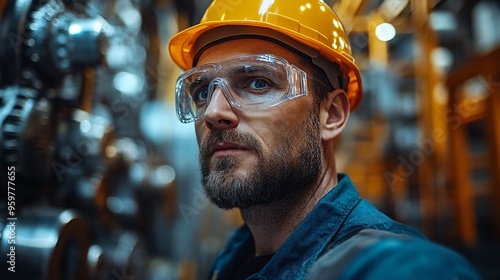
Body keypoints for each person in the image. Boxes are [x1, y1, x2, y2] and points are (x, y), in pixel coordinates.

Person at [168, 0, 481, 279]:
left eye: (258, 83)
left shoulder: (401, 268)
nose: (213, 111)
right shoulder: (231, 259)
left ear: (331, 115)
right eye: (201, 92)